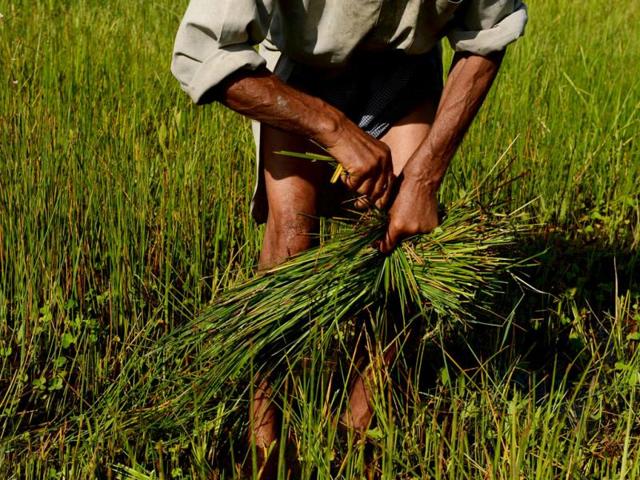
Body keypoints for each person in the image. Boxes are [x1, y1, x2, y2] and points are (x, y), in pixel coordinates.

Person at [172, 0, 527, 476]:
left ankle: (360, 432)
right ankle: (266, 436)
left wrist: (423, 179)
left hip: (405, 74)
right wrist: (333, 127)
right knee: (291, 247)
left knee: (397, 250)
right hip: (303, 77)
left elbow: (488, 33)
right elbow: (202, 52)